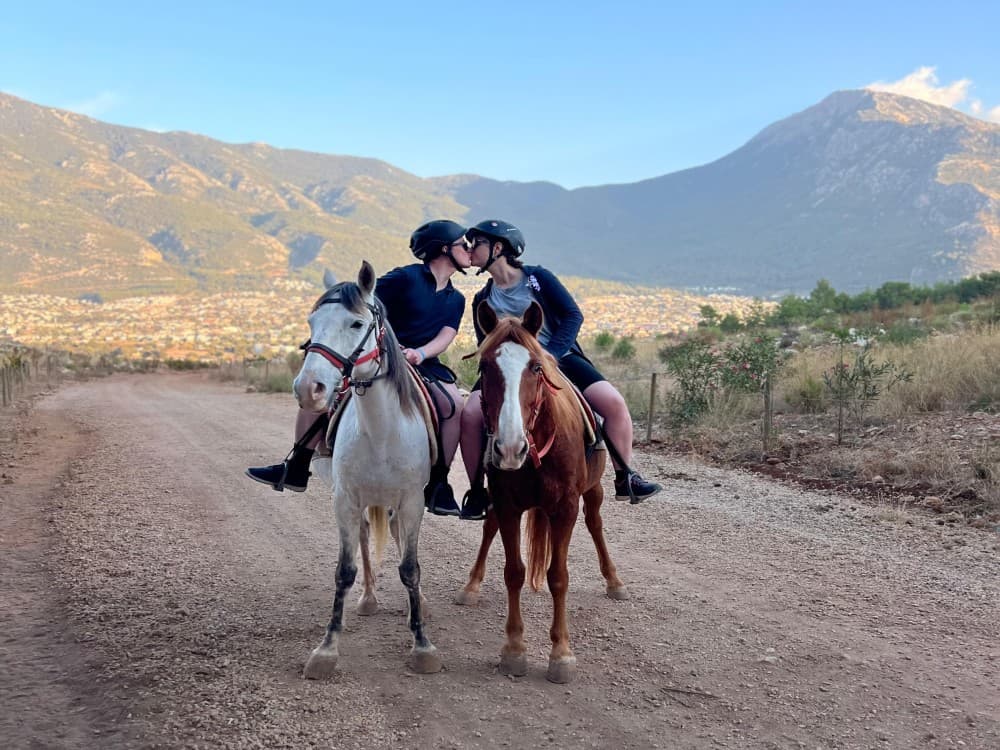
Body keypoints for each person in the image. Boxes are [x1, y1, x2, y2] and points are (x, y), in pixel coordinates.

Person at [247, 219, 472, 516]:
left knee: (454, 405)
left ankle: (438, 484)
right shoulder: (405, 278)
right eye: (464, 245)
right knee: (324, 393)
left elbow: (447, 335)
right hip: (381, 357)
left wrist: (419, 353)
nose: (469, 250)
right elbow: (362, 307)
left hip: (423, 362)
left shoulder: (456, 297)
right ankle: (297, 466)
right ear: (444, 249)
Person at [458, 219, 662, 520]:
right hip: (507, 369)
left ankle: (625, 476)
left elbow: (572, 315)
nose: (470, 249)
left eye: (477, 243)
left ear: (498, 247)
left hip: (559, 358)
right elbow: (485, 343)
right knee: (471, 414)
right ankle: (477, 492)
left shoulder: (537, 278)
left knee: (614, 404)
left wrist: (550, 354)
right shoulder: (482, 299)